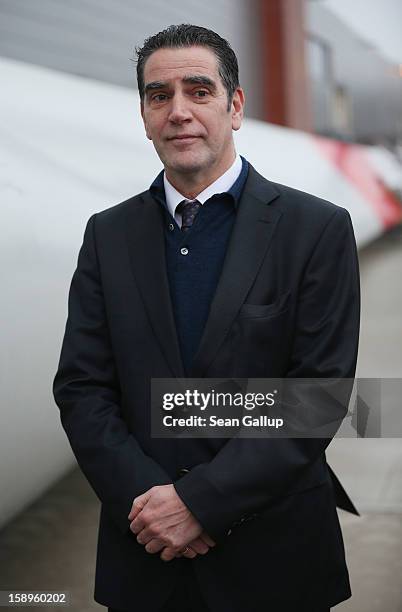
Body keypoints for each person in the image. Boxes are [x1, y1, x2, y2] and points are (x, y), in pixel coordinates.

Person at [53, 24, 360, 612]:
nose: (179, 112)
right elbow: (82, 387)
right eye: (158, 95)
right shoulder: (107, 235)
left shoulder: (315, 229)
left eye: (199, 90)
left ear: (235, 105)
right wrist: (151, 502)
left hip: (274, 553)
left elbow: (317, 395)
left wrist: (199, 503)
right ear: (143, 113)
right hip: (146, 554)